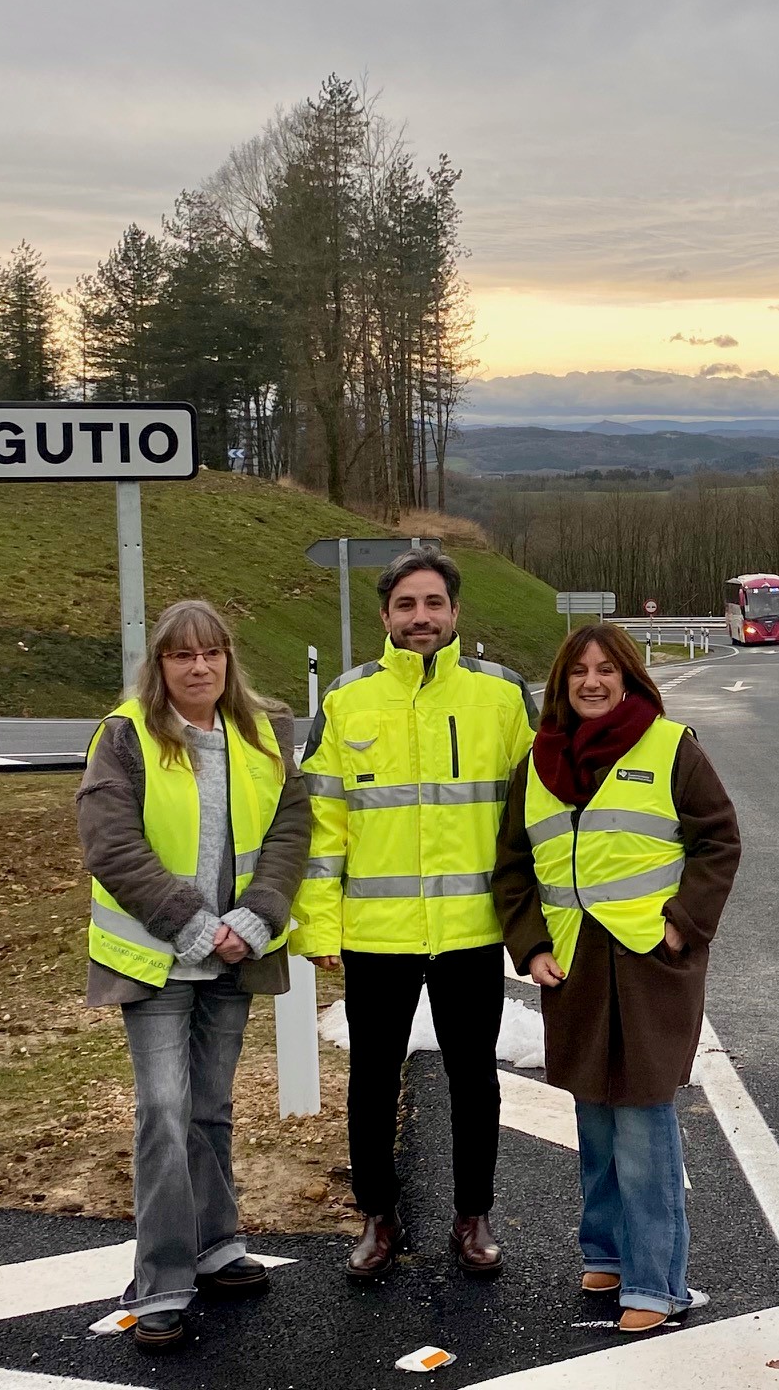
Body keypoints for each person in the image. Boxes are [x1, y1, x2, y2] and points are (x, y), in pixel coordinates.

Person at [291, 548, 538, 1280]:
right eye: (406, 605)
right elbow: (323, 825)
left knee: (475, 1081)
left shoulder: (501, 696)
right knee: (372, 1081)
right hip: (377, 934)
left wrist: (536, 922)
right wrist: (319, 925)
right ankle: (378, 1217)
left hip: (471, 930)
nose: (420, 617)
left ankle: (473, 1217)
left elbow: (535, 813)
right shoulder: (347, 699)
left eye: (433, 603)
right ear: (385, 616)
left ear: (456, 611)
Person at [76, 599, 310, 1354]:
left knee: (210, 1107)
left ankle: (216, 1244)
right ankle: (162, 1283)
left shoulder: (264, 732)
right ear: (160, 664)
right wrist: (191, 923)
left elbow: (290, 828)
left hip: (235, 954)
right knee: (164, 1111)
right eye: (182, 655)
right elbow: (110, 842)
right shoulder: (125, 735)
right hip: (157, 960)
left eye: (211, 652)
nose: (199, 666)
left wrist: (258, 916)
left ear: (228, 658)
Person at [492, 622, 740, 1333]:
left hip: (649, 963)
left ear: (629, 678)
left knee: (640, 1116)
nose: (592, 682)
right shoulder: (537, 765)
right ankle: (604, 1252)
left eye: (607, 669)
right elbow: (512, 868)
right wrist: (529, 947)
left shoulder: (670, 746)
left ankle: (656, 1283)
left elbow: (718, 840)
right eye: (579, 671)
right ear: (562, 683)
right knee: (593, 1112)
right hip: (571, 964)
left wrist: (681, 925)